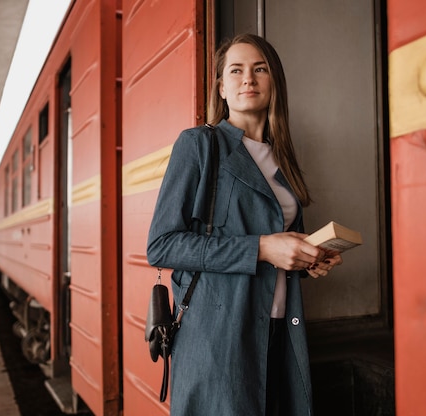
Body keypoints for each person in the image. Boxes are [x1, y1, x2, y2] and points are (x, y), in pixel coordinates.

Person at [147, 33, 343, 416]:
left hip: (280, 331)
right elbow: (162, 244)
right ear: (221, 87)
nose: (247, 79)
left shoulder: (282, 159)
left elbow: (281, 245)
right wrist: (263, 248)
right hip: (220, 337)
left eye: (259, 69)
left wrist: (308, 260)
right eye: (235, 71)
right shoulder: (199, 145)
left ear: (274, 83)